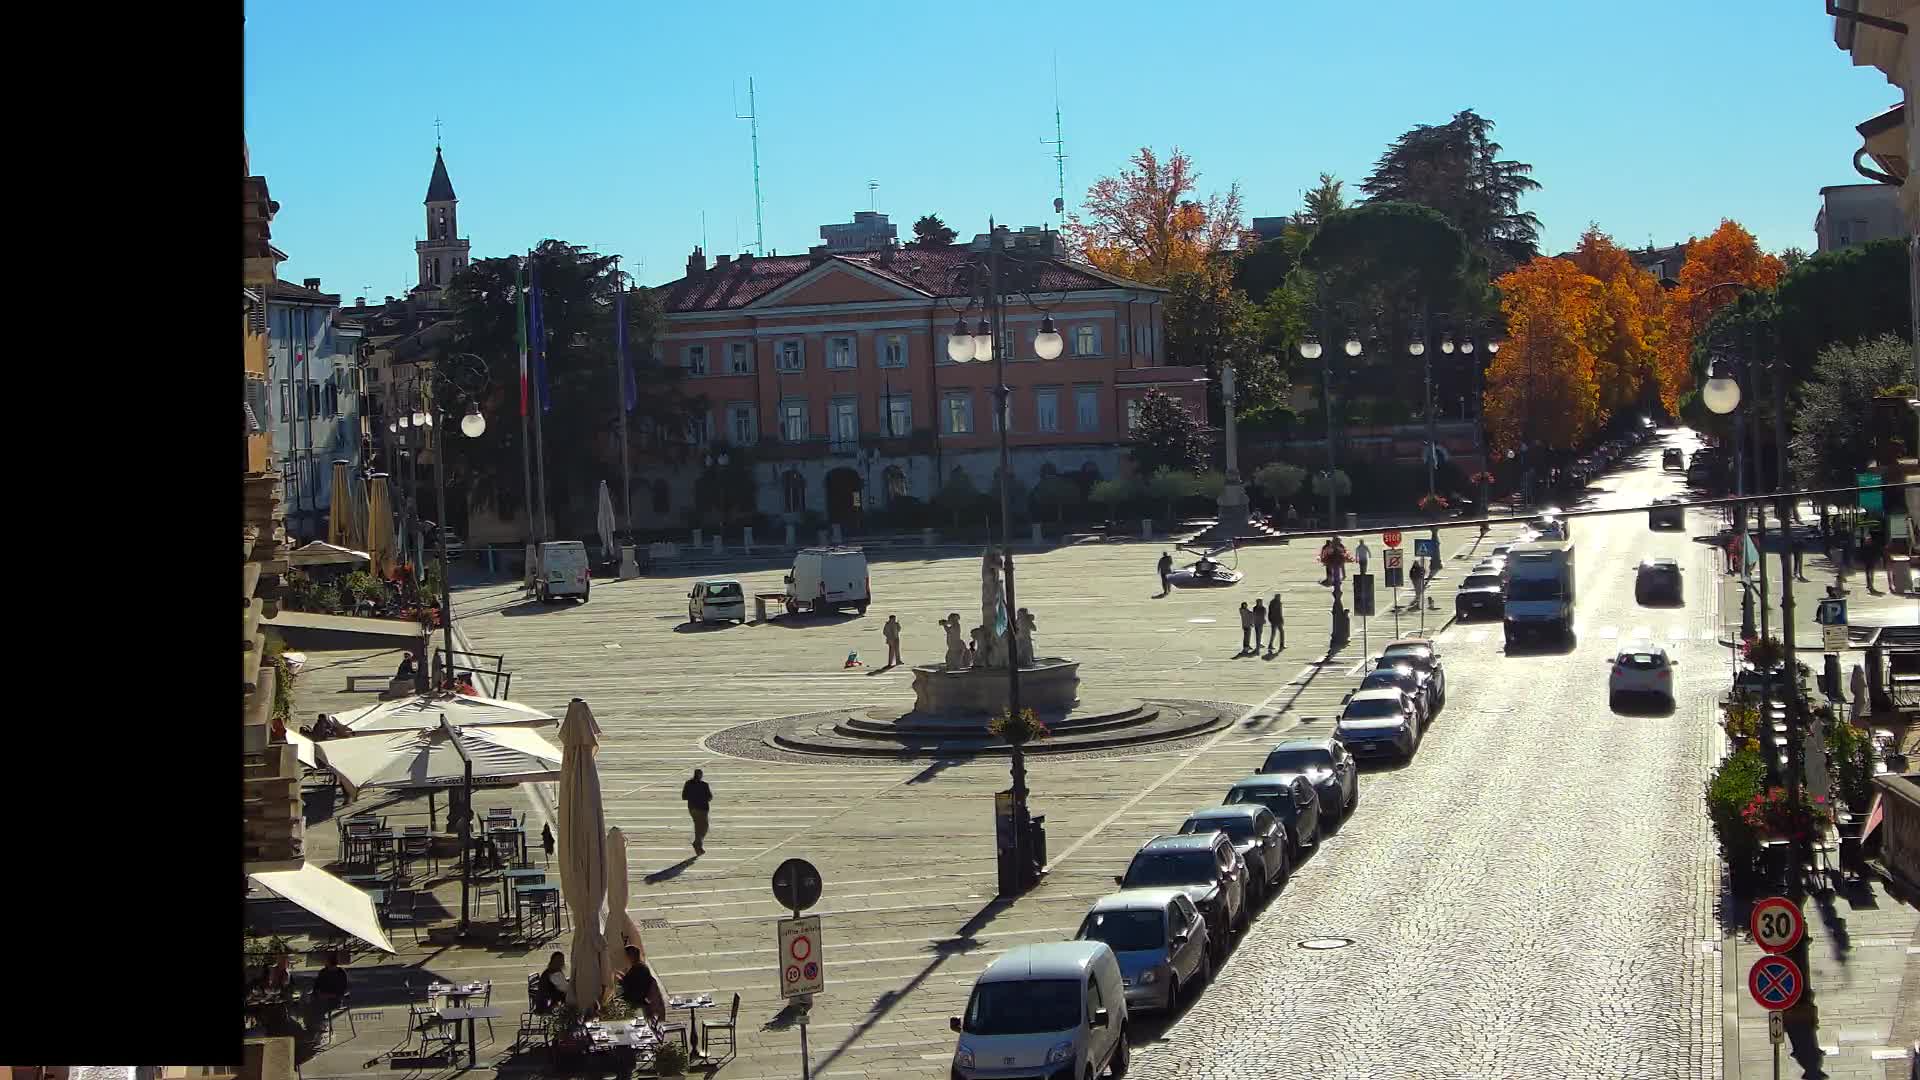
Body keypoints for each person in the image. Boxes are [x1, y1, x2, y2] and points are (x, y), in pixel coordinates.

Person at [618, 945, 668, 1028]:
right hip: (644, 1004)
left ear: (630, 957)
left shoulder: (638, 969)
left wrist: (620, 980)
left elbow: (632, 988)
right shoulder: (640, 967)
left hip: (641, 1006)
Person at [308, 953, 350, 1029]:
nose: (325, 963)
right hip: (320, 999)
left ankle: (320, 1027)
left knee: (318, 1008)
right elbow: (316, 986)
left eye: (326, 961)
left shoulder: (341, 973)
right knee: (309, 1007)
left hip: (335, 1001)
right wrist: (315, 994)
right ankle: (313, 1027)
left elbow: (343, 990)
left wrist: (329, 996)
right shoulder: (323, 972)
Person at [682, 769, 713, 855]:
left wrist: (692, 796)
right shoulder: (704, 785)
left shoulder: (688, 783)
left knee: (698, 826)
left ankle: (698, 844)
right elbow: (710, 797)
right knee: (703, 827)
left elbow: (684, 796)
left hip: (692, 808)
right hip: (702, 808)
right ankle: (697, 843)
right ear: (701, 775)